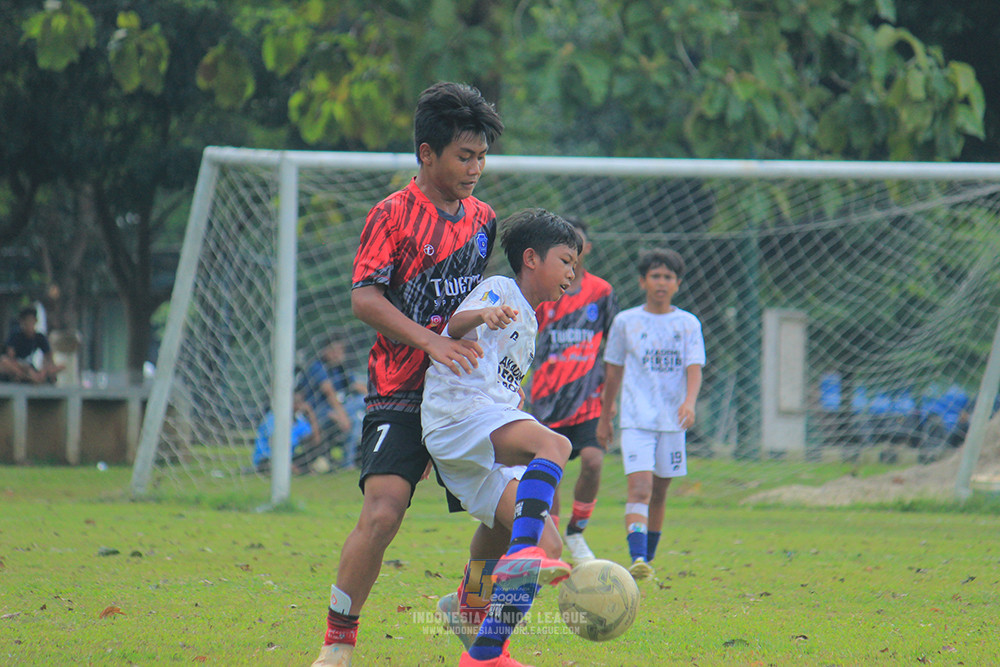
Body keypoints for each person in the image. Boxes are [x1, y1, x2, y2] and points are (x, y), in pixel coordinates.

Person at [311, 81, 504, 667]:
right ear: (427, 153)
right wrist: (430, 341)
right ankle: (337, 643)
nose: (475, 168)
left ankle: (469, 609)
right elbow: (364, 299)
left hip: (463, 394)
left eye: (481, 156)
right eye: (463, 156)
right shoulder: (391, 214)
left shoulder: (484, 220)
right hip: (399, 390)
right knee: (384, 511)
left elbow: (477, 298)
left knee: (505, 510)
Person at [422, 208, 581, 667]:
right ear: (531, 258)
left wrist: (515, 399)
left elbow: (502, 382)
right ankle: (523, 552)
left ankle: (483, 643)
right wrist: (484, 314)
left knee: (535, 543)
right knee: (557, 445)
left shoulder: (529, 323)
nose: (573, 273)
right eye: (566, 260)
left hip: (479, 427)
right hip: (459, 416)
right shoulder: (502, 290)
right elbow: (452, 327)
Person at [596, 248, 705, 581]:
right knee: (640, 488)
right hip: (635, 419)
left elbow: (694, 367)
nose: (661, 282)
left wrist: (689, 402)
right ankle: (638, 556)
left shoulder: (687, 323)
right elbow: (613, 371)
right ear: (643, 281)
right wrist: (606, 414)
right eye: (655, 276)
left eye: (668, 277)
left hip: (672, 422)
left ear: (677, 284)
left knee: (659, 491)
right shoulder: (626, 321)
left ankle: (648, 558)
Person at [528, 217, 618, 563]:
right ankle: (550, 542)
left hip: (589, 399)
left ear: (587, 249)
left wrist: (610, 404)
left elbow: (615, 350)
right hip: (547, 399)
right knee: (552, 469)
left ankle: (576, 532)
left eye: (578, 245)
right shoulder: (545, 292)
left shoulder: (602, 292)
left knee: (594, 462)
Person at [300, 337, 365, 470]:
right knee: (362, 402)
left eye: (341, 350)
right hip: (319, 413)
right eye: (334, 350)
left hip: (337, 411)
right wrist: (341, 415)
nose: (337, 354)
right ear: (325, 350)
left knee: (356, 419)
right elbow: (329, 392)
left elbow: (358, 386)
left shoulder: (340, 369)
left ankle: (348, 464)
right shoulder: (317, 367)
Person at [252, 390, 322, 474]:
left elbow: (316, 440)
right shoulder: (273, 418)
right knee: (271, 464)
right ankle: (297, 469)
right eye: (296, 402)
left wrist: (310, 413)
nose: (299, 405)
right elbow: (275, 445)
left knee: (318, 446)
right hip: (268, 458)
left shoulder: (299, 420)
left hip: (289, 459)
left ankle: (302, 468)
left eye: (301, 402)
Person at [0, 306, 64, 384]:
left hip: (32, 368)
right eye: (27, 321)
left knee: (61, 366)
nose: (29, 324)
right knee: (4, 362)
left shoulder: (40, 337)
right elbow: (10, 357)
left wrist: (43, 371)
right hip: (19, 367)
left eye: (31, 321)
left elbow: (49, 357)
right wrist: (26, 369)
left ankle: (38, 378)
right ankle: (27, 378)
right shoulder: (15, 335)